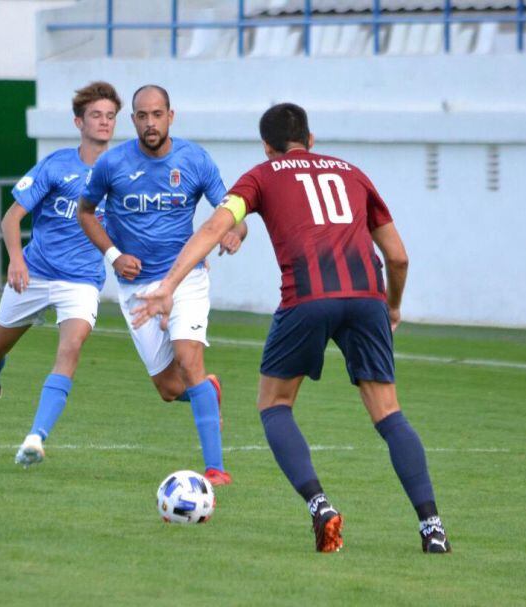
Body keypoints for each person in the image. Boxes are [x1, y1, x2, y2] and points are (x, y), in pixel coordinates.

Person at [133, 103, 450, 554]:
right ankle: (432, 527)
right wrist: (392, 307)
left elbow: (215, 226)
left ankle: (320, 506)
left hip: (307, 298)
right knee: (389, 413)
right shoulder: (353, 174)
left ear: (266, 146)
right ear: (311, 139)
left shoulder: (262, 176)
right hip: (367, 299)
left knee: (275, 404)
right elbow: (397, 256)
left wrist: (169, 285)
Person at [0, 82, 122, 468]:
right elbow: (11, 218)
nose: (104, 122)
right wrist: (16, 260)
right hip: (34, 273)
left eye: (110, 116)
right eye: (96, 115)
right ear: (79, 121)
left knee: (69, 349)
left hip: (81, 281)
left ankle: (35, 439)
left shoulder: (121, 172)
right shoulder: (56, 164)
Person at [78, 84, 248, 487]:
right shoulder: (111, 164)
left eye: (157, 114)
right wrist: (113, 255)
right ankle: (207, 391)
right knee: (170, 388)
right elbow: (86, 213)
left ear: (171, 116)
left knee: (190, 362)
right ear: (132, 119)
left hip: (185, 277)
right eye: (142, 115)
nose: (150, 122)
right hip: (136, 286)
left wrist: (236, 232)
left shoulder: (194, 160)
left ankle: (215, 469)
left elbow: (233, 211)